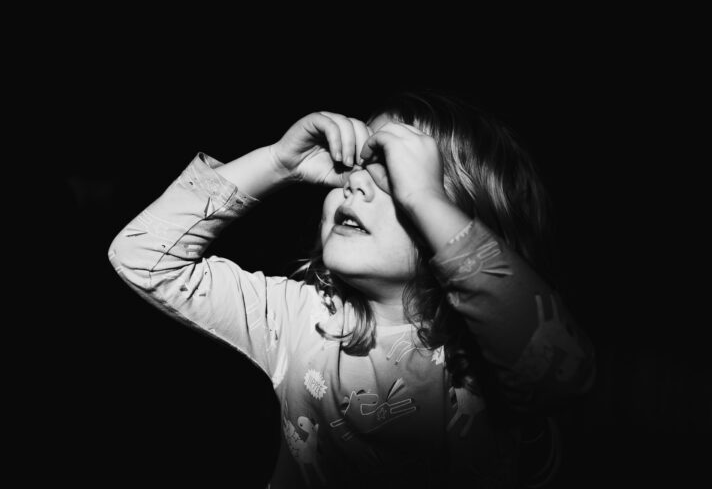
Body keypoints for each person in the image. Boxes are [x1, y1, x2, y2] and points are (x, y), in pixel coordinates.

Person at [108, 90, 595, 488]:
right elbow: (141, 258)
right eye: (358, 166)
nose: (356, 185)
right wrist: (277, 163)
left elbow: (565, 370)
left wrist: (421, 198)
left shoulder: (485, 364)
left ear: (465, 219)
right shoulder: (299, 319)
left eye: (398, 179)